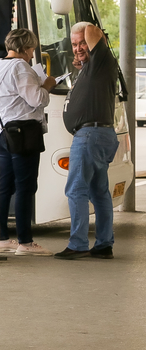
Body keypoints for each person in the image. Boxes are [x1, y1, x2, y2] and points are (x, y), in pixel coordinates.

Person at [55, 22, 120, 260]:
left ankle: (78, 243)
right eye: (73, 44)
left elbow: (93, 30)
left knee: (76, 190)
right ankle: (103, 244)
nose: (78, 48)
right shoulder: (92, 66)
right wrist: (84, 60)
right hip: (97, 135)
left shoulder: (102, 57)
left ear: (96, 41)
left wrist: (89, 40)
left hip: (90, 136)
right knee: (99, 192)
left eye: (82, 42)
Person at [0, 29, 57, 256]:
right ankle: (25, 242)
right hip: (23, 135)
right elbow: (36, 98)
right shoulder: (20, 67)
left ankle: (1, 238)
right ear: (25, 48)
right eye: (31, 49)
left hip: (2, 133)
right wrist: (47, 84)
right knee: (25, 188)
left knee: (5, 188)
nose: (31, 54)